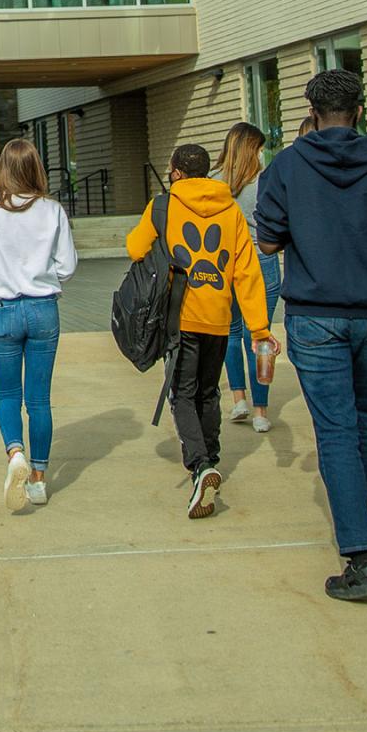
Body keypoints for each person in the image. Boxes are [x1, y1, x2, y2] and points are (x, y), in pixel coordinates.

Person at [255, 68, 367, 603]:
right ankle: (361, 522)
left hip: (315, 313)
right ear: (360, 109)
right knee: (364, 423)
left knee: (335, 430)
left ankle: (360, 559)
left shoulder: (287, 167)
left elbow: (269, 238)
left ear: (309, 109)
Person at [126, 143, 274, 519]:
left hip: (180, 316)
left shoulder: (163, 206)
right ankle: (211, 460)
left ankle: (200, 465)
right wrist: (259, 328)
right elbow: (247, 271)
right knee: (209, 392)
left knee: (182, 393)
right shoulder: (231, 210)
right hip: (218, 317)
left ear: (175, 172)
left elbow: (134, 248)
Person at [0, 138, 77, 512]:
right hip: (43, 311)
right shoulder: (52, 210)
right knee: (39, 399)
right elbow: (67, 265)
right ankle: (39, 479)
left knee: (7, 395)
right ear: (36, 168)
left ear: (1, 168)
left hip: (1, 310)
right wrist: (42, 279)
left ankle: (15, 453)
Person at [217, 122, 281, 432]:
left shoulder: (214, 182)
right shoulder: (266, 180)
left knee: (230, 332)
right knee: (259, 335)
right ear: (253, 149)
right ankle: (261, 411)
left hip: (226, 263)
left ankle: (238, 399)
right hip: (261, 260)